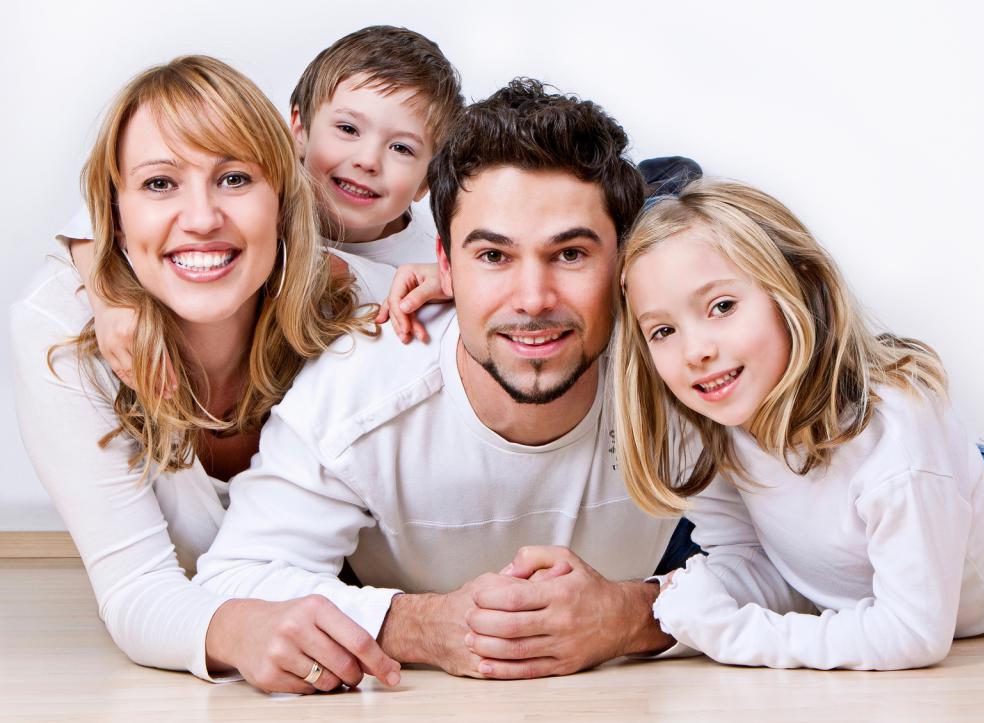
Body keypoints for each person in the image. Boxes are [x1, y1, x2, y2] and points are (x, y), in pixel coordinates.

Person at [194, 79, 807, 683]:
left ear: (621, 261)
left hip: (657, 581)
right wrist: (418, 626)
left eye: (570, 254)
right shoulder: (356, 391)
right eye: (492, 256)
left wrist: (632, 616)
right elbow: (231, 583)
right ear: (444, 265)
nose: (533, 299)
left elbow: (801, 566)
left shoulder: (686, 362)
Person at [11, 55, 402, 693]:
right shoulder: (62, 333)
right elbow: (136, 589)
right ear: (114, 212)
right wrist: (238, 630)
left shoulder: (365, 306)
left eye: (235, 178)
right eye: (160, 184)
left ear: (283, 198)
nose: (200, 218)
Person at [613, 178, 984, 670]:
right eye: (663, 330)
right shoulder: (712, 424)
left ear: (799, 288)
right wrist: (685, 600)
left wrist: (734, 634)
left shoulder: (895, 440)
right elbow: (756, 561)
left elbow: (912, 634)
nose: (696, 350)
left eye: (722, 306)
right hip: (941, 485)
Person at [64, 25, 464, 387]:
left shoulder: (431, 252)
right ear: (298, 131)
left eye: (401, 148)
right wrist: (109, 301)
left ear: (427, 182)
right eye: (347, 129)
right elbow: (97, 217)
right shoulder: (255, 185)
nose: (368, 160)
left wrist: (453, 281)